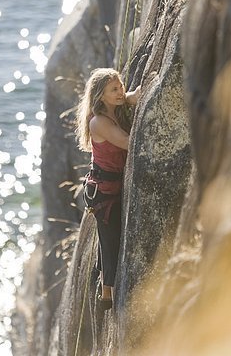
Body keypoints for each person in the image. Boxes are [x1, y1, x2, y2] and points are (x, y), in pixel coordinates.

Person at [76, 68, 140, 310]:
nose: (120, 91)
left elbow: (130, 96)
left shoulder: (114, 110)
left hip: (112, 184)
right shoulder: (99, 122)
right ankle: (106, 295)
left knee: (109, 238)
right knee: (110, 240)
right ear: (100, 95)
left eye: (121, 86)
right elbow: (126, 141)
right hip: (102, 191)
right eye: (114, 89)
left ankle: (105, 292)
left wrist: (133, 95)